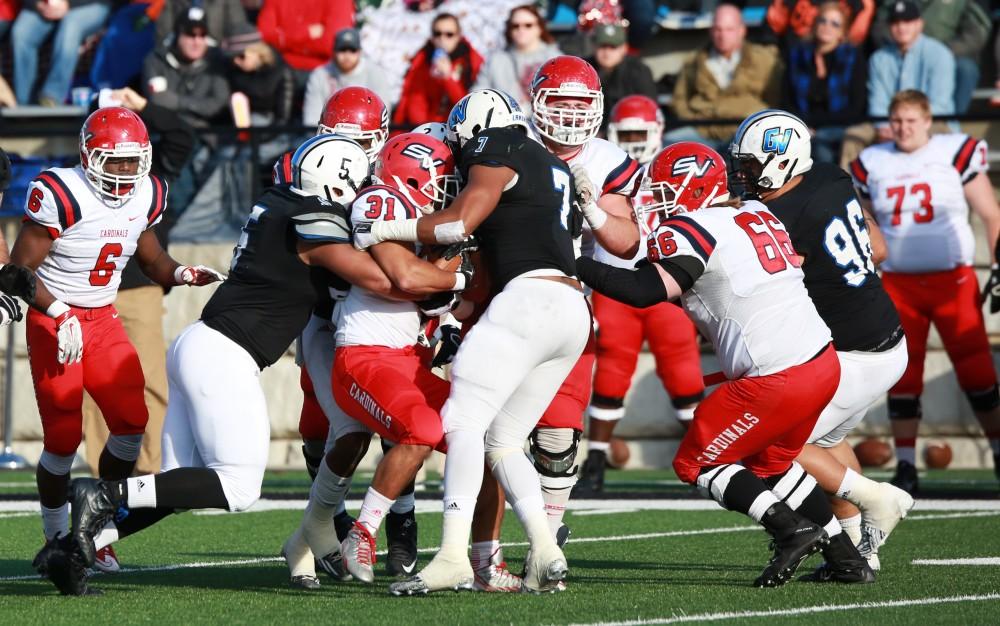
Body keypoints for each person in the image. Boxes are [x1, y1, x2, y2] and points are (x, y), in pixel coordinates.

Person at [33, 134, 400, 596]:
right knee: (238, 488)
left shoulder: (281, 200)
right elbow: (382, 280)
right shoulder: (312, 222)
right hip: (225, 355)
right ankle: (103, 494)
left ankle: (68, 549)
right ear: (337, 181)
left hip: (201, 345)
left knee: (176, 487)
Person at [576, 141, 867, 588]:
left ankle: (789, 530)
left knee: (696, 461)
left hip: (775, 373)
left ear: (692, 189)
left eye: (665, 190)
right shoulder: (755, 213)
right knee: (772, 464)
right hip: (820, 361)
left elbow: (643, 291)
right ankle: (847, 560)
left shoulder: (695, 226)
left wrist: (576, 264)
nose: (656, 200)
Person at [354, 89, 591, 594]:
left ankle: (453, 557)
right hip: (571, 311)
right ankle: (546, 552)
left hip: (528, 301)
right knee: (502, 441)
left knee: (461, 421)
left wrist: (382, 229)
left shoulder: (496, 143)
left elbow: (461, 219)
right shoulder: (552, 165)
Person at [10, 106, 224, 584]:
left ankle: (96, 521)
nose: (126, 172)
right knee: (63, 440)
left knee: (131, 424)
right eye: (115, 161)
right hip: (54, 319)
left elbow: (150, 257)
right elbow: (17, 273)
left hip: (103, 318)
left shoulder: (147, 193)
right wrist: (58, 311)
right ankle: (55, 535)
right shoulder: (62, 192)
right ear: (89, 156)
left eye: (133, 161)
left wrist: (182, 273)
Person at [732, 109, 911, 576]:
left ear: (782, 160)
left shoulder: (779, 215)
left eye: (751, 165)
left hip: (853, 353)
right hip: (884, 336)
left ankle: (878, 499)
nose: (744, 174)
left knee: (773, 443)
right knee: (830, 442)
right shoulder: (830, 176)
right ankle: (856, 548)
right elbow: (880, 248)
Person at [297, 133, 467, 585]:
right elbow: (408, 278)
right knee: (421, 429)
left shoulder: (417, 216)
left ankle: (472, 553)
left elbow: (431, 301)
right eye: (442, 179)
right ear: (410, 175)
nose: (448, 189)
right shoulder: (381, 201)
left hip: (410, 357)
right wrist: (459, 275)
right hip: (364, 354)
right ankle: (364, 533)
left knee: (478, 434)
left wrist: (447, 281)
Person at [850, 89, 1000, 494]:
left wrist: (998, 262)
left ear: (929, 120)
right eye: (897, 120)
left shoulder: (954, 151)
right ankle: (905, 464)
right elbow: (862, 216)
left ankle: (998, 453)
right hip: (899, 283)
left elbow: (990, 211)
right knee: (903, 373)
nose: (903, 128)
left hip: (953, 281)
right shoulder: (873, 161)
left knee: (979, 374)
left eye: (911, 120)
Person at [527, 57, 645, 535]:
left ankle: (550, 532)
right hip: (501, 296)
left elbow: (627, 242)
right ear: (538, 102)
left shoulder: (607, 160)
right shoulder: (512, 143)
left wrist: (593, 210)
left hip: (568, 300)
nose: (572, 115)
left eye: (582, 104)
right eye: (561, 102)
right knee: (486, 431)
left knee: (558, 433)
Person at [81, 88, 198, 547]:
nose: (123, 165)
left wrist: (143, 106)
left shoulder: (148, 179)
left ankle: (154, 473)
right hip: (89, 293)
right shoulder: (80, 181)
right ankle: (101, 479)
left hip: (138, 286)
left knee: (150, 376)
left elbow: (183, 137)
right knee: (93, 385)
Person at [578, 94, 705, 493]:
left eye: (639, 132)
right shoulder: (601, 164)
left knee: (684, 375)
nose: (632, 141)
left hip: (665, 282)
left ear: (657, 132)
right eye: (626, 133)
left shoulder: (674, 167)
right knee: (612, 374)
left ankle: (707, 459)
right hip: (614, 281)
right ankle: (595, 460)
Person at [669, 4, 784, 148]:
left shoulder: (765, 60)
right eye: (718, 29)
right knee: (669, 144)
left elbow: (776, 99)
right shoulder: (694, 61)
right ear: (711, 31)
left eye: (729, 29)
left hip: (746, 134)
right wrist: (693, 119)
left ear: (742, 30)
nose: (722, 35)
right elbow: (679, 99)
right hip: (702, 131)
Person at [871, 0, 991, 114]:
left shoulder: (940, 55)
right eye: (897, 23)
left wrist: (942, 51)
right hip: (900, 50)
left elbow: (976, 32)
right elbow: (882, 24)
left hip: (950, 52)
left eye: (906, 22)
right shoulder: (879, 58)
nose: (901, 26)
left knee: (966, 69)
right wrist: (903, 45)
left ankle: (956, 123)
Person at [784, 2, 867, 163]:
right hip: (802, 127)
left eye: (835, 23)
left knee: (821, 149)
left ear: (842, 32)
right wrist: (804, 127)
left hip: (839, 127)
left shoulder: (852, 57)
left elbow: (856, 107)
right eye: (823, 21)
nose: (827, 26)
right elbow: (787, 101)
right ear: (815, 24)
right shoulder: (797, 55)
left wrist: (818, 128)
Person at [142, 8, 231, 129]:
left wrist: (178, 102)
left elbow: (218, 104)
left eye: (202, 35)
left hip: (205, 134)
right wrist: (198, 106)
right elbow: (158, 101)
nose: (196, 41)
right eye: (190, 34)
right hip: (164, 132)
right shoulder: (157, 59)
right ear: (177, 35)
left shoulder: (215, 61)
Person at [11, 0, 111, 105]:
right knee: (21, 33)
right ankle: (23, 103)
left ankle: (51, 96)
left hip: (90, 4)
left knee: (70, 27)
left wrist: (69, 4)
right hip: (45, 5)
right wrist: (37, 3)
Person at [392, 13, 484, 127]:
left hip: (459, 128)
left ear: (459, 36)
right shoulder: (423, 60)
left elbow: (469, 107)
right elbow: (415, 102)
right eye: (437, 34)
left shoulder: (471, 61)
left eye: (449, 34)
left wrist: (448, 79)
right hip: (429, 128)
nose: (442, 39)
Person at [472, 4, 561, 113]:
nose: (521, 29)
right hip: (503, 123)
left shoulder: (556, 60)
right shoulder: (495, 60)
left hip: (544, 123)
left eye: (528, 25)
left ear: (540, 28)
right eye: (515, 26)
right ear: (509, 29)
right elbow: (477, 97)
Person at [302, 27, 394, 126]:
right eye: (342, 50)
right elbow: (311, 120)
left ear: (360, 52)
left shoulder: (375, 73)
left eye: (352, 50)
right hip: (329, 135)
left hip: (366, 135)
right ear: (333, 52)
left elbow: (382, 117)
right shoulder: (320, 75)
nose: (347, 55)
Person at [256, 0, 354, 81]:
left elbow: (332, 45)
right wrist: (306, 32)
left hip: (323, 73)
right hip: (280, 69)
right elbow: (263, 36)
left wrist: (283, 38)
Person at [586, 23, 656, 128]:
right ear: (594, 47)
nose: (607, 52)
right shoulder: (585, 69)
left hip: (629, 132)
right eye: (602, 46)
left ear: (624, 48)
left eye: (613, 47)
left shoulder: (639, 71)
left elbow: (649, 110)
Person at [226, 37, 295, 127]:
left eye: (241, 56)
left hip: (272, 126)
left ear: (257, 53)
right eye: (233, 58)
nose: (236, 62)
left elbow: (283, 116)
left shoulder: (281, 72)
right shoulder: (234, 73)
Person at [766, 0, 875, 46]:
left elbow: (855, 38)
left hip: (838, 65)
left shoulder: (862, 4)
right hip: (793, 61)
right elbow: (774, 28)